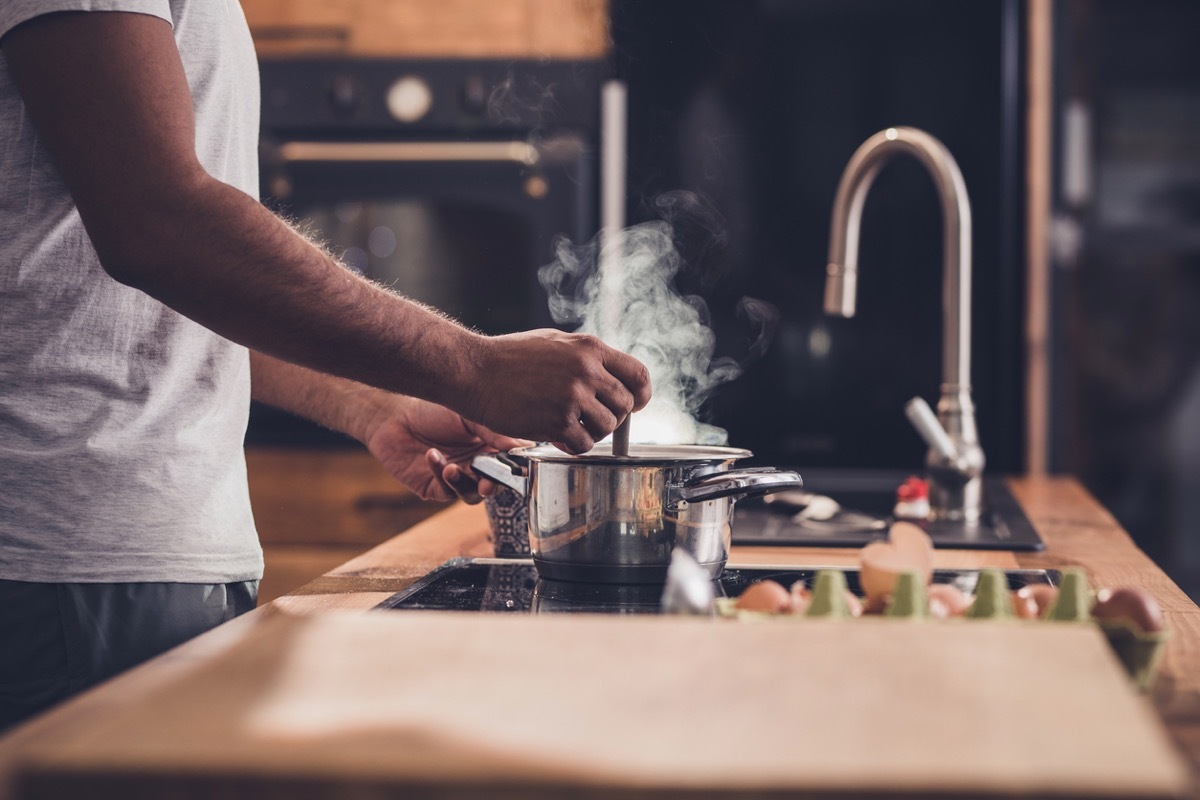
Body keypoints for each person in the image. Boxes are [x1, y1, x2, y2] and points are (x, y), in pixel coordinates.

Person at [0, 1, 651, 730]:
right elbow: (156, 225)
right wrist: (474, 366)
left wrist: (371, 403)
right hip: (71, 556)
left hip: (151, 550)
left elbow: (176, 297)